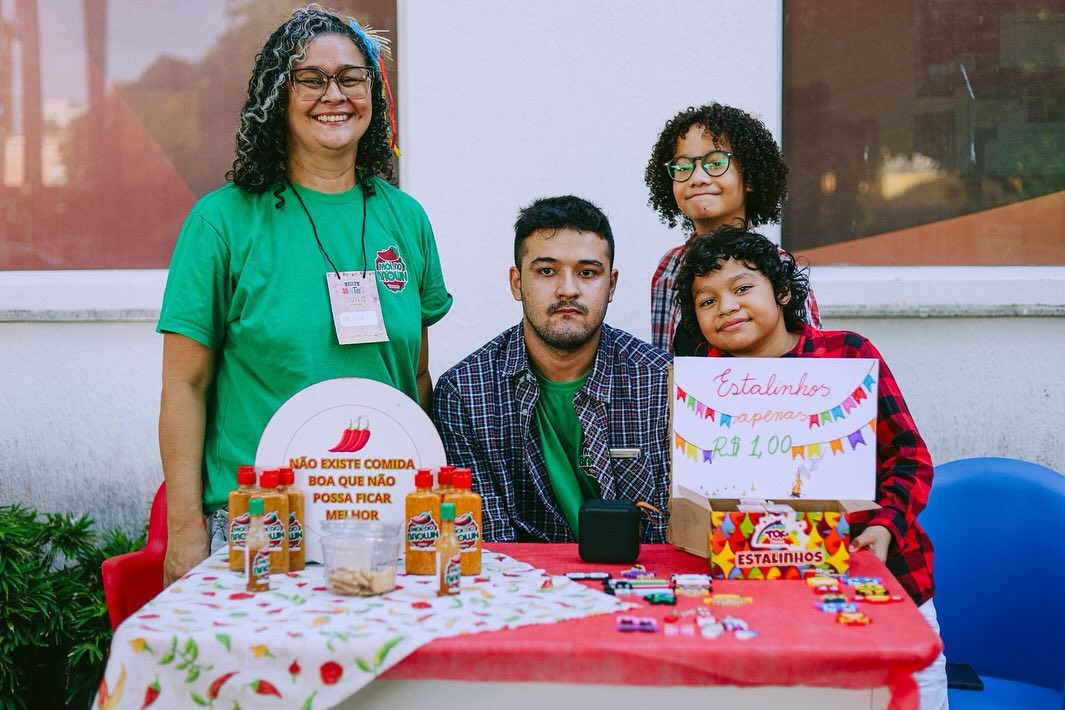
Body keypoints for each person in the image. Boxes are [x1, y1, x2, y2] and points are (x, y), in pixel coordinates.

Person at [157, 5, 452, 585]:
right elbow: (184, 385)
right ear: (276, 95)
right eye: (311, 78)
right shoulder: (222, 222)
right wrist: (186, 530)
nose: (334, 94)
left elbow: (412, 379)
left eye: (351, 77)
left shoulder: (407, 219)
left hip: (381, 525)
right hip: (259, 526)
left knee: (378, 674)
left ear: (374, 92)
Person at [674, 225, 947, 710]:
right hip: (759, 598)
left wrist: (884, 527)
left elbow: (910, 458)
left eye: (742, 288)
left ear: (781, 292)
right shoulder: (702, 384)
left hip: (881, 584)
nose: (727, 307)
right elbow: (695, 489)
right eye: (707, 301)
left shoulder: (847, 354)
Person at [431, 196, 671, 543]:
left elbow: (670, 536)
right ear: (516, 283)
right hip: (522, 589)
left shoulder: (659, 380)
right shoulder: (465, 392)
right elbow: (489, 541)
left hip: (640, 584)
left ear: (612, 285)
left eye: (587, 272)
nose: (568, 289)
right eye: (547, 271)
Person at [644, 102, 820, 355]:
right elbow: (665, 366)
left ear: (749, 177)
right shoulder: (669, 267)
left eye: (715, 164)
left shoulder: (780, 267)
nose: (697, 178)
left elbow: (814, 361)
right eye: (683, 167)